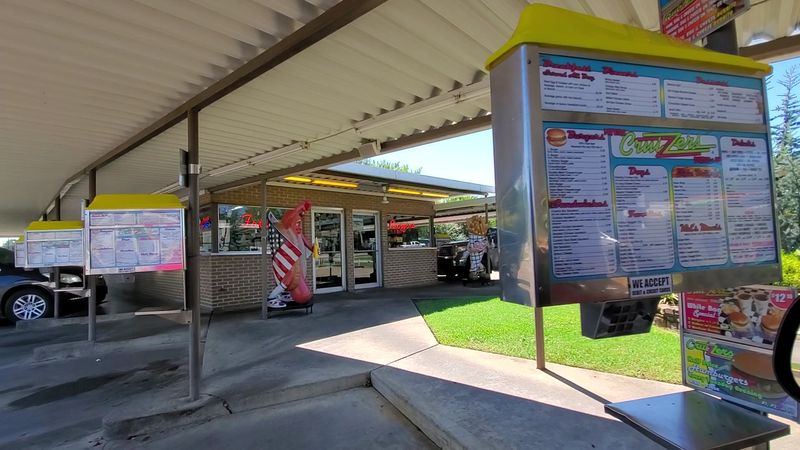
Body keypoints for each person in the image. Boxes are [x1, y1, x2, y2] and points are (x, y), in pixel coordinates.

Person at [266, 200, 314, 308]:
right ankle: (271, 298)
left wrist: (313, 248)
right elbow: (289, 218)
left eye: (300, 223)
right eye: (297, 223)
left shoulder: (298, 234)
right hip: (288, 259)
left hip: (297, 261)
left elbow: (306, 242)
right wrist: (300, 207)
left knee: (299, 287)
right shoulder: (286, 229)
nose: (299, 226)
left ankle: (284, 294)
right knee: (288, 278)